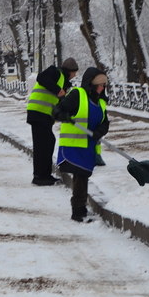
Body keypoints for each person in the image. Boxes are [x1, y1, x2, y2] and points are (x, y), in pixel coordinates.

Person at [53, 67, 109, 222]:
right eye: (99, 85)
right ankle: (78, 211)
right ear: (91, 84)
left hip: (88, 147)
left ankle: (80, 208)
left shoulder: (100, 102)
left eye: (103, 85)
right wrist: (59, 114)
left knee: (83, 176)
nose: (102, 88)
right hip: (74, 145)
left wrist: (100, 131)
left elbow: (105, 122)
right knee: (80, 176)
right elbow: (60, 107)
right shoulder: (78, 95)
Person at [26, 57, 78, 186]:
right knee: (42, 146)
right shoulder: (56, 72)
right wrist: (57, 90)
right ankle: (40, 176)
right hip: (38, 112)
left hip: (44, 115)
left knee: (48, 142)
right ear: (70, 71)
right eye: (74, 73)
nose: (74, 76)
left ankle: (45, 174)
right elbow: (41, 78)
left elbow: (61, 102)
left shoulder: (63, 83)